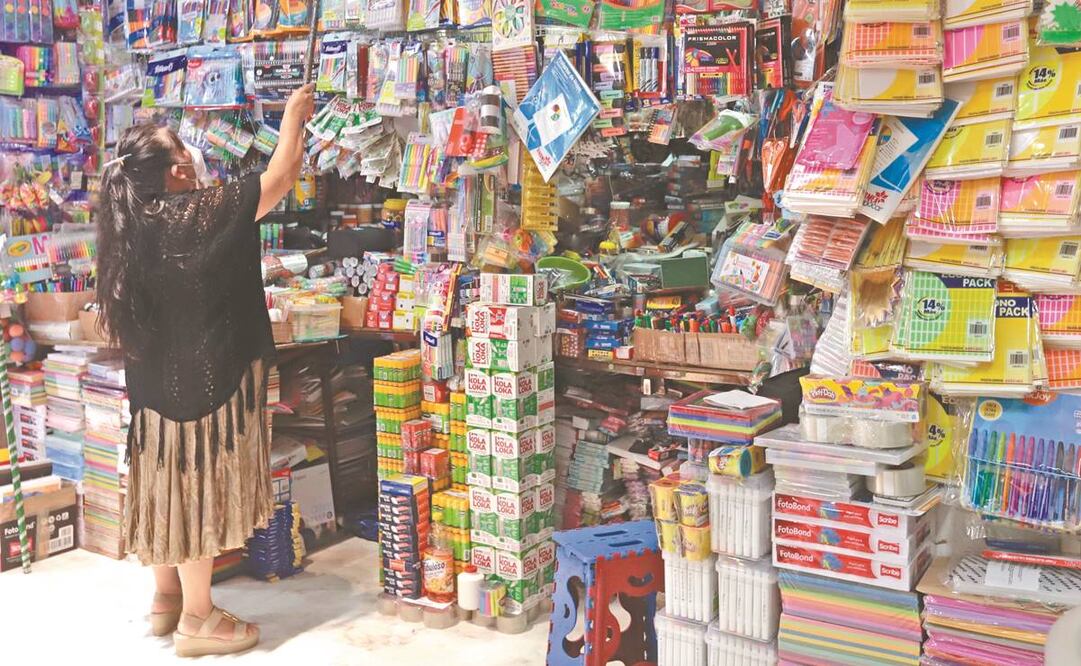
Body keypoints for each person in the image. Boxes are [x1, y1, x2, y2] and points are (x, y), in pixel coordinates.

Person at [94, 83, 315, 657]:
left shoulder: (129, 223)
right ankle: (198, 619)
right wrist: (294, 114)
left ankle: (166, 598)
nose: (193, 155)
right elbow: (281, 177)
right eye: (183, 151)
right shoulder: (194, 213)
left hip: (151, 392)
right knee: (194, 488)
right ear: (173, 172)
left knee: (165, 481)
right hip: (203, 385)